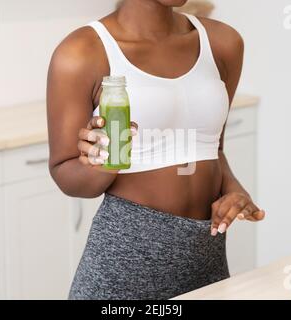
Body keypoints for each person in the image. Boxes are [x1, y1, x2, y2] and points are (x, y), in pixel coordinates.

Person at [47, 0, 265, 300]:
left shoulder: (223, 43)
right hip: (124, 267)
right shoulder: (80, 53)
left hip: (206, 259)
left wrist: (234, 190)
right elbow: (64, 173)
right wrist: (104, 163)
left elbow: (213, 147)